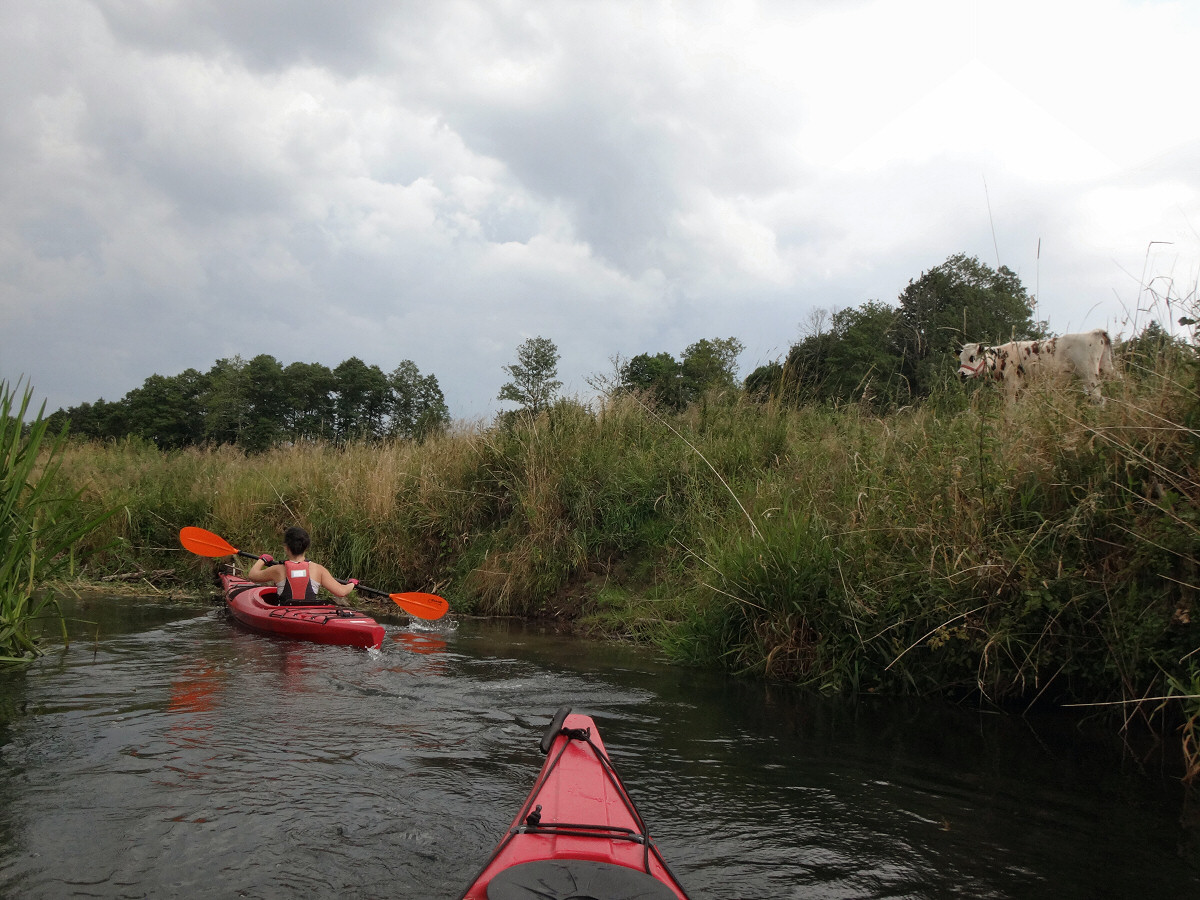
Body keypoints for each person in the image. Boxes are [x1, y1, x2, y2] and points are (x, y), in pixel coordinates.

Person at [247, 525, 357, 604]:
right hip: (310, 615)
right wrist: (352, 583)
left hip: (285, 615)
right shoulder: (318, 570)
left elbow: (252, 575)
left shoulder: (278, 570)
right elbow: (342, 592)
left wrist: (262, 560)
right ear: (306, 547)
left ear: (286, 547)